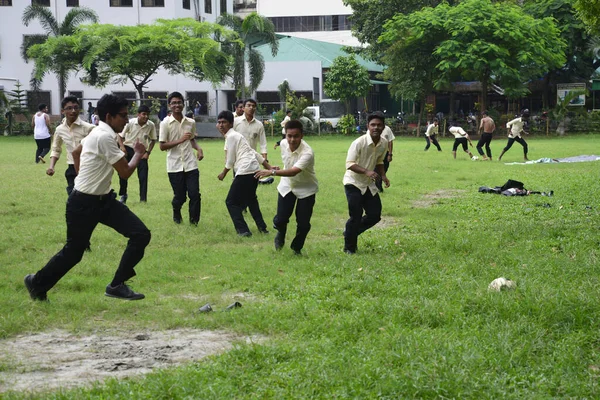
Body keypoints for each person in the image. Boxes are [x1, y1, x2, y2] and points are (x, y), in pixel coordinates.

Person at [24, 94, 151, 302]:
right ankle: (36, 283)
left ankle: (117, 285)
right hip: (83, 204)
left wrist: (84, 177)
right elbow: (125, 172)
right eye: (123, 116)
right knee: (74, 252)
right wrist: (138, 153)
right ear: (109, 116)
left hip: (104, 200)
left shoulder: (98, 131)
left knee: (140, 234)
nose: (126, 121)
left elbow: (75, 153)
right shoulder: (103, 136)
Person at [255, 119, 318, 255]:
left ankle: (297, 248)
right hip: (287, 186)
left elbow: (294, 171)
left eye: (296, 136)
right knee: (281, 219)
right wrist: (276, 168)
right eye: (289, 136)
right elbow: (288, 166)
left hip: (306, 188)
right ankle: (280, 232)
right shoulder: (283, 144)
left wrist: (272, 172)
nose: (292, 139)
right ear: (286, 135)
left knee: (303, 223)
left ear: (302, 135)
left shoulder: (307, 152)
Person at [216, 110, 270, 237]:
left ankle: (243, 230)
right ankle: (262, 228)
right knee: (251, 200)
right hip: (254, 170)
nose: (221, 125)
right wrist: (268, 166)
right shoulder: (237, 136)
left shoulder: (231, 136)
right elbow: (253, 152)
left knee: (231, 202)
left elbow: (230, 160)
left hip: (245, 171)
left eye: (224, 122)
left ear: (231, 123)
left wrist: (223, 173)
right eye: (219, 123)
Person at [342, 111, 390, 255]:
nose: (376, 127)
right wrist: (367, 171)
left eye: (379, 125)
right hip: (353, 182)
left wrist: (383, 175)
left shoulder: (384, 143)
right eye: (373, 125)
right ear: (368, 126)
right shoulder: (359, 142)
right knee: (355, 215)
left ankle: (350, 232)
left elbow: (380, 161)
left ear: (383, 127)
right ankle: (350, 248)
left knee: (375, 215)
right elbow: (349, 164)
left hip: (368, 184)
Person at [159, 91, 203, 225]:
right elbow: (162, 146)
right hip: (174, 166)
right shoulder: (165, 123)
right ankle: (176, 212)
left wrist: (199, 149)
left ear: (183, 104)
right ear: (169, 105)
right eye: (173, 103)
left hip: (190, 164)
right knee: (180, 197)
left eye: (179, 102)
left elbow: (192, 140)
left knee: (195, 194)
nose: (177, 105)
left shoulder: (190, 122)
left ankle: (194, 222)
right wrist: (180, 140)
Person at [47, 96, 96, 195]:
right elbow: (56, 149)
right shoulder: (60, 130)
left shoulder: (89, 128)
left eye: (76, 107)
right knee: (73, 196)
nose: (73, 111)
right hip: (72, 168)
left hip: (88, 167)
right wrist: (51, 167)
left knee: (88, 197)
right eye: (69, 108)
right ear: (62, 111)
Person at [117, 105, 157, 204]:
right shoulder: (130, 123)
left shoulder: (150, 125)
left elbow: (153, 140)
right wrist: (122, 148)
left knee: (143, 175)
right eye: (143, 114)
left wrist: (148, 153)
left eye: (147, 114)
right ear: (138, 114)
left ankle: (143, 199)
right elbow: (119, 136)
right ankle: (123, 195)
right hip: (128, 149)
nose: (146, 116)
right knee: (122, 173)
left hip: (141, 152)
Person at [376, 124, 395, 192]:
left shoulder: (387, 129)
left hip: (385, 153)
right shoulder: (372, 128)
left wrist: (390, 154)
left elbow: (390, 141)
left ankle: (378, 185)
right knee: (376, 169)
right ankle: (378, 187)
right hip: (375, 153)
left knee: (384, 169)